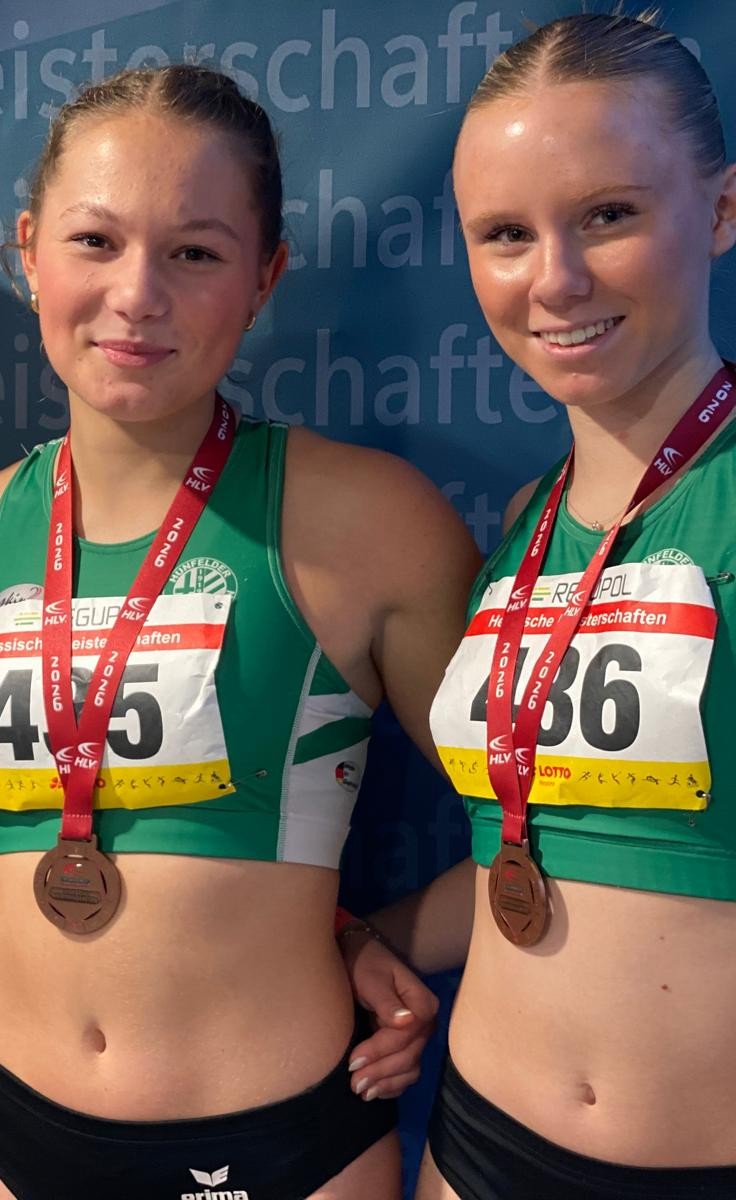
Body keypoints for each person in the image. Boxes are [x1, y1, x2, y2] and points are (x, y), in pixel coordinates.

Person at [0, 64, 482, 1200]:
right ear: (29, 253)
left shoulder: (368, 525)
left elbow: (553, 830)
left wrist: (372, 933)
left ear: (265, 278)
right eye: (95, 242)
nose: (137, 295)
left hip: (279, 1144)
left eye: (196, 253)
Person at [368, 14, 736, 1200]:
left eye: (608, 215)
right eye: (506, 234)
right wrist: (364, 940)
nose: (555, 279)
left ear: (722, 210)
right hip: (478, 1147)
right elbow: (530, 854)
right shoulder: (528, 523)